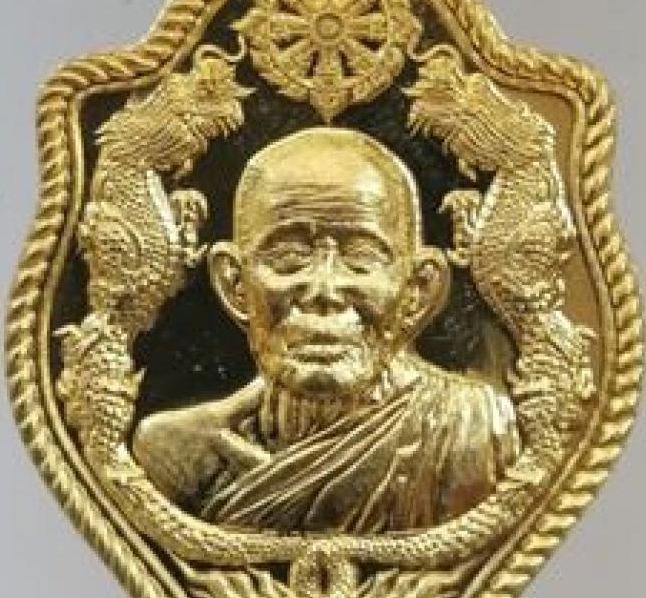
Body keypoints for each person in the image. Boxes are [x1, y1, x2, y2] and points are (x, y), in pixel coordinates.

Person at [132, 127, 519, 532]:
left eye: (362, 257)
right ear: (234, 284)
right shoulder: (173, 453)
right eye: (288, 256)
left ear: (418, 289)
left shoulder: (477, 432)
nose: (324, 289)